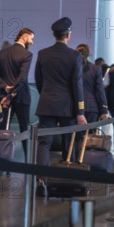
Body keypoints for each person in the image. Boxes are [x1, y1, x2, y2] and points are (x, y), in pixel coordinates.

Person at [35, 17, 86, 167]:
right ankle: (67, 178)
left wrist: (46, 95)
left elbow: (39, 81)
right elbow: (77, 85)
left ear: (54, 35)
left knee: (44, 143)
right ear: (68, 35)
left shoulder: (42, 54)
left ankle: (40, 179)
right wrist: (80, 111)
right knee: (68, 143)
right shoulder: (75, 56)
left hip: (47, 104)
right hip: (67, 107)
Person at [0, 27, 35, 156]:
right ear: (24, 36)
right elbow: (22, 78)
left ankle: (1, 162)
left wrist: (5, 88)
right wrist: (12, 93)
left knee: (3, 130)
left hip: (3, 98)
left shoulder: (2, 53)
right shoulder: (27, 54)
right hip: (21, 97)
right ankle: (28, 162)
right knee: (24, 131)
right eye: (31, 38)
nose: (32, 42)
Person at [76, 44, 109, 123]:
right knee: (90, 135)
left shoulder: (71, 68)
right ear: (88, 54)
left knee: (74, 135)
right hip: (91, 107)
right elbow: (100, 91)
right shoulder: (96, 69)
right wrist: (104, 109)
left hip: (74, 107)